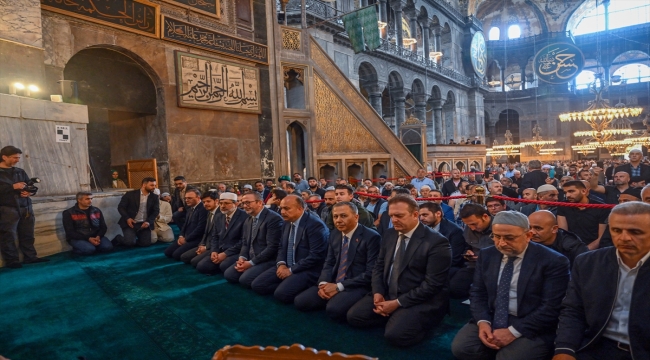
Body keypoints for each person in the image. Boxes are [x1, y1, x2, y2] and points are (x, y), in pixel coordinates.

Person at [452, 211, 570, 360]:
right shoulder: (487, 254)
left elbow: (551, 307)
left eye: (509, 238)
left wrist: (513, 332)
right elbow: (478, 292)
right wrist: (483, 322)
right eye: (496, 237)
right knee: (462, 348)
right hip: (493, 316)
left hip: (531, 322)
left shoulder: (553, 261)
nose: (501, 243)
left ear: (528, 236)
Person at [347, 195, 451, 347]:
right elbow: (379, 266)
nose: (394, 220)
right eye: (391, 216)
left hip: (419, 298)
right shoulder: (389, 234)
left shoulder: (437, 242)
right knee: (354, 317)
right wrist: (377, 293)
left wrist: (397, 303)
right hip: (389, 292)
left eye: (399, 216)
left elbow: (432, 285)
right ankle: (395, 315)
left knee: (396, 336)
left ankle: (412, 320)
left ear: (415, 215)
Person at [553, 202, 650, 360]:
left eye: (635, 232)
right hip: (595, 345)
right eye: (616, 230)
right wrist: (564, 349)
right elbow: (573, 310)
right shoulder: (588, 262)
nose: (624, 237)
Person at [294, 202, 380, 321]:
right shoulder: (335, 234)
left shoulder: (372, 237)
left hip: (357, 284)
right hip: (334, 280)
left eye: (343, 216)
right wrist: (323, 283)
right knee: (301, 302)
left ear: (356, 217)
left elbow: (371, 273)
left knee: (333, 309)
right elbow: (329, 262)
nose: (338, 220)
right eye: (335, 216)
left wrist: (339, 287)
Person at [251, 195, 329, 303]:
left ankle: (296, 288)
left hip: (306, 269)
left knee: (281, 295)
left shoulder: (315, 226)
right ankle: (288, 285)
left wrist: (291, 270)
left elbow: (316, 256)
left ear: (300, 209)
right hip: (287, 265)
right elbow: (282, 246)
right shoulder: (287, 222)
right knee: (257, 285)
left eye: (286, 208)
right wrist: (281, 264)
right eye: (281, 208)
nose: (282, 212)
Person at [0, 146, 48, 268]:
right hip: (7, 208)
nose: (17, 160)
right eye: (15, 157)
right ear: (4, 157)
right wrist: (12, 187)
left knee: (28, 233)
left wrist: (29, 192)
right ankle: (12, 261)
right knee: (8, 235)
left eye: (18, 157)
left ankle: (30, 257)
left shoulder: (20, 171)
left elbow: (30, 186)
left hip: (25, 206)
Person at [223, 191, 284, 288]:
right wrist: (242, 258)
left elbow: (272, 248)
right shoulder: (248, 219)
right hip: (251, 256)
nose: (245, 206)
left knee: (245, 280)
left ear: (259, 202)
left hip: (268, 259)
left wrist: (251, 263)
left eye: (248, 203)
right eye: (243, 203)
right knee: (229, 275)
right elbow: (245, 242)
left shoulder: (273, 219)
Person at [196, 192, 246, 275]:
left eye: (226, 203)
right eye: (221, 203)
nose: (222, 206)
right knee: (201, 266)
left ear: (236, 203)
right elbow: (214, 236)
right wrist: (214, 251)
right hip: (220, 249)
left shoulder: (244, 216)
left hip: (236, 251)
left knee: (224, 266)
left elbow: (243, 241)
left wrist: (226, 254)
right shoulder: (219, 216)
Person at [451, 204, 493, 299]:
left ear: (485, 217)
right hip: (473, 266)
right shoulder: (469, 228)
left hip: (493, 267)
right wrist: (467, 252)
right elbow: (467, 246)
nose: (472, 228)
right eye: (468, 225)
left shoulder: (499, 227)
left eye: (474, 224)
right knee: (454, 287)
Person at [419, 202, 467, 278]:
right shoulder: (421, 228)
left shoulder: (454, 231)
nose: (421, 218)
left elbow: (454, 259)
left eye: (425, 215)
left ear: (438, 214)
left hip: (446, 268)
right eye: (420, 216)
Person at [557, 181, 610, 250]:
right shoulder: (563, 205)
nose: (567, 195)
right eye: (565, 193)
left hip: (594, 249)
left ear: (584, 191)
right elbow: (563, 233)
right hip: (570, 247)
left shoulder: (601, 207)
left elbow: (601, 237)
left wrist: (584, 251)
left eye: (571, 191)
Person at [115, 177, 160, 247]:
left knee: (146, 243)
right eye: (151, 185)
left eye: (155, 185)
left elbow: (156, 211)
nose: (154, 187)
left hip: (144, 224)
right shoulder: (130, 194)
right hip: (130, 223)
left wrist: (148, 221)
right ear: (144, 185)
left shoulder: (154, 197)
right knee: (130, 243)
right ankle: (118, 238)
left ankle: (136, 237)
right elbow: (121, 207)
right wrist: (127, 218)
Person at [164, 188, 207, 260]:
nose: (186, 200)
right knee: (168, 252)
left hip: (196, 239)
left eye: (190, 198)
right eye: (186, 198)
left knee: (176, 255)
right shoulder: (190, 208)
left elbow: (200, 228)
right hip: (187, 237)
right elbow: (185, 225)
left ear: (198, 198)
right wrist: (181, 236)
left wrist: (186, 239)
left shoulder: (203, 209)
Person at [179, 191, 219, 266]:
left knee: (198, 264)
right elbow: (205, 232)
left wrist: (206, 247)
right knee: (184, 257)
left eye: (208, 201)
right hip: (206, 243)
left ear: (216, 201)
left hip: (215, 246)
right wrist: (201, 244)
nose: (205, 204)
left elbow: (218, 236)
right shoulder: (209, 212)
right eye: (204, 202)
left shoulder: (220, 214)